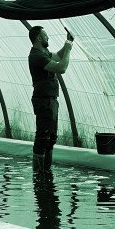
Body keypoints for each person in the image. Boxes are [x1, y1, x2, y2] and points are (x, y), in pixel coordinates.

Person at [28, 26, 73, 175]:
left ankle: (46, 172)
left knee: (51, 137)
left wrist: (68, 42)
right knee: (43, 137)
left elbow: (59, 56)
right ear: (39, 38)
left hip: (50, 100)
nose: (48, 38)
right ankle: (38, 175)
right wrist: (68, 48)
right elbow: (61, 68)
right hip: (44, 101)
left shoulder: (44, 53)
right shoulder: (36, 56)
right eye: (45, 35)